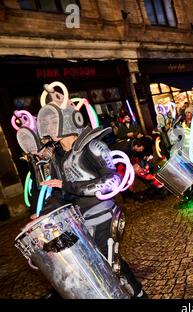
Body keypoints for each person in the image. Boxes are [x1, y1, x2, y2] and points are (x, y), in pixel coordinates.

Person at [36, 92, 146, 299]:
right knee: (85, 267)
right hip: (77, 220)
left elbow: (111, 181)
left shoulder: (93, 146)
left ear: (68, 119)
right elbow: (60, 193)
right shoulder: (56, 157)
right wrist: (43, 214)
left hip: (105, 215)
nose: (50, 127)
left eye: (54, 121)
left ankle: (138, 295)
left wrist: (67, 185)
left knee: (110, 263)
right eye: (47, 122)